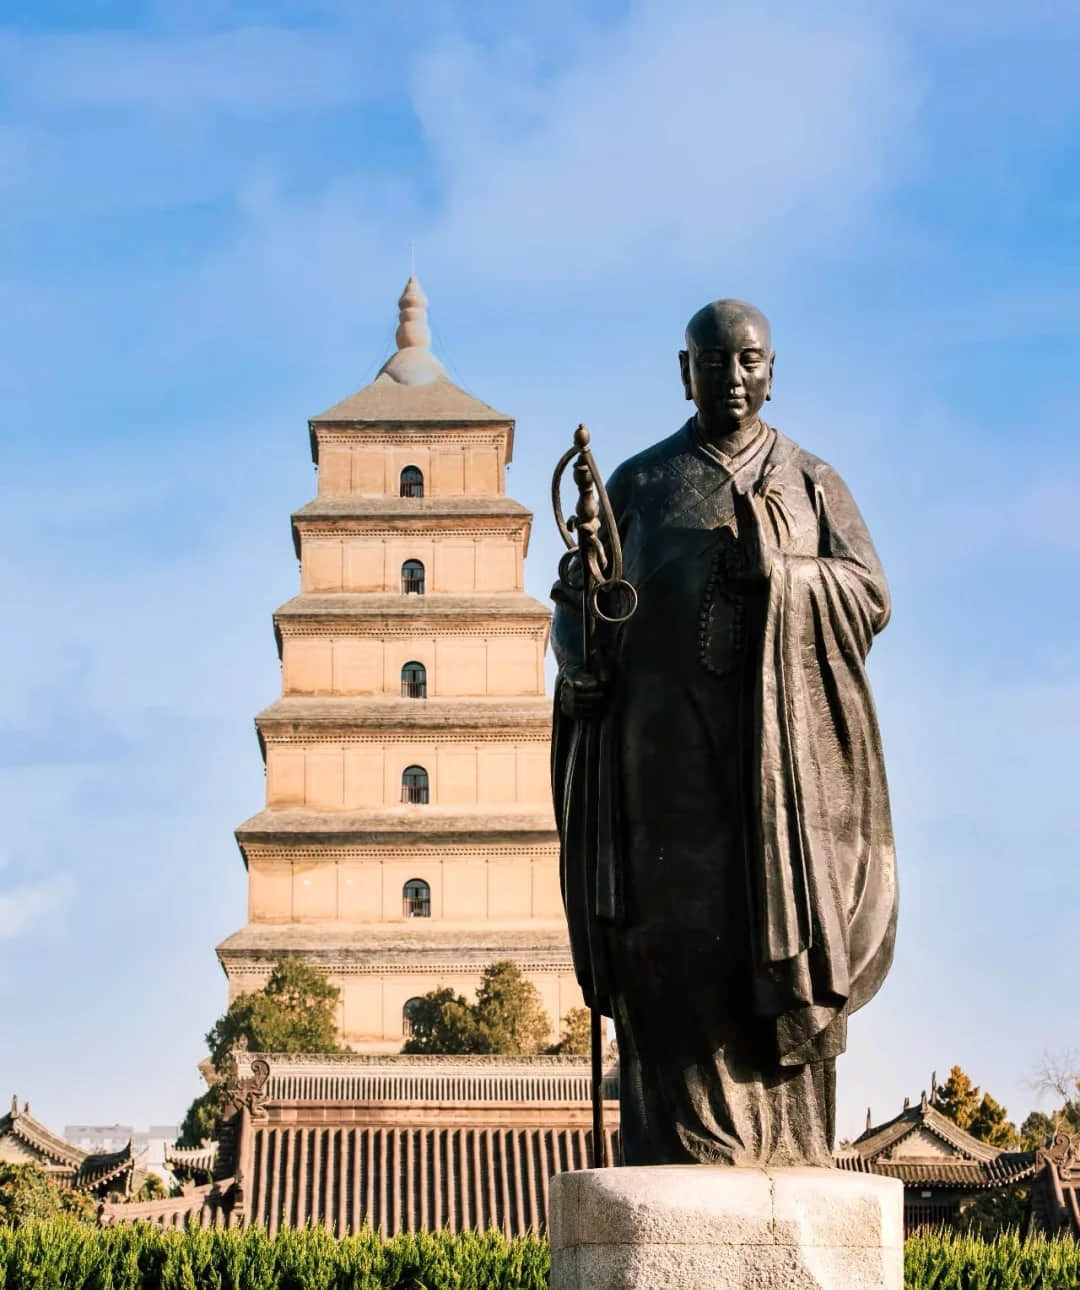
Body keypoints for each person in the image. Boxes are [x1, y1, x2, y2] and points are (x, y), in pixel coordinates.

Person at [550, 299, 897, 1167]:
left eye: (750, 362)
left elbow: (870, 594)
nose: (733, 378)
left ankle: (790, 1143)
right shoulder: (638, 483)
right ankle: (678, 1142)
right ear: (684, 371)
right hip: (658, 761)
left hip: (780, 769)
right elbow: (577, 601)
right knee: (669, 939)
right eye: (715, 361)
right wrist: (581, 665)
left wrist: (780, 576)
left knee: (775, 936)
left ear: (772, 372)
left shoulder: (813, 480)